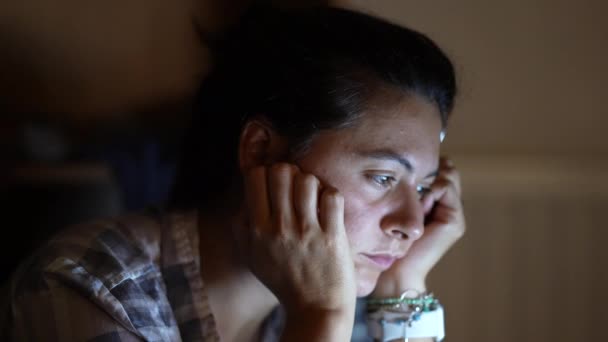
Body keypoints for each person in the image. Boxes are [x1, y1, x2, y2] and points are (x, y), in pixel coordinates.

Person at [0, 5, 465, 342]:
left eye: (423, 187)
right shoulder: (92, 288)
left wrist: (404, 285)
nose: (413, 224)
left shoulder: (356, 300)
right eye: (383, 178)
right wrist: (320, 319)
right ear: (261, 151)